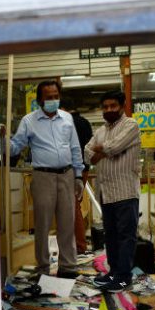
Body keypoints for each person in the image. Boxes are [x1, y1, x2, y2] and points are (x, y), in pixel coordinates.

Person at [9, 80, 84, 278]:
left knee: (67, 223)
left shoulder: (67, 118)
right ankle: (42, 267)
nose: (53, 100)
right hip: (43, 176)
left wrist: (78, 176)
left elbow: (75, 148)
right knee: (42, 224)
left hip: (67, 175)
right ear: (40, 100)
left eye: (55, 96)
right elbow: (16, 146)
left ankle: (68, 266)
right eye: (48, 97)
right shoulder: (29, 121)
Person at [84, 90, 141, 292]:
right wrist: (102, 150)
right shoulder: (100, 130)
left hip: (125, 191)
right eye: (105, 107)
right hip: (106, 192)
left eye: (113, 106)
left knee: (126, 236)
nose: (109, 110)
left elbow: (114, 147)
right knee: (111, 236)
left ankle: (124, 278)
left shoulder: (131, 125)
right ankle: (114, 272)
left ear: (122, 105)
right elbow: (87, 154)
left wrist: (102, 150)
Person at [61, 95, 93, 254]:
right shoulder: (85, 123)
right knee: (75, 205)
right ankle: (77, 244)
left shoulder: (65, 122)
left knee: (71, 207)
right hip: (83, 169)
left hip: (71, 169)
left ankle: (79, 246)